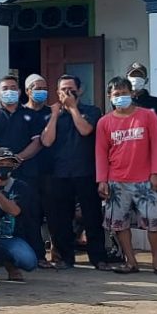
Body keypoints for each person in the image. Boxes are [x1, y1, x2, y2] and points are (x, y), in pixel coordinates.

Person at [96, 76, 157, 276]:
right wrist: (102, 180)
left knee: (154, 223)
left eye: (124, 93)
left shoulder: (147, 116)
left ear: (131, 93)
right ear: (110, 97)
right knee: (119, 224)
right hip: (116, 182)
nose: (120, 97)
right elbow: (101, 153)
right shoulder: (104, 122)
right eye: (116, 94)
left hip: (145, 181)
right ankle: (130, 262)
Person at [0, 75, 47, 264]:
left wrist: (18, 158)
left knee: (31, 213)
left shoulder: (30, 115)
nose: (9, 91)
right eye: (5, 88)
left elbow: (37, 142)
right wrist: (3, 159)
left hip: (26, 172)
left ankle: (38, 254)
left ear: (19, 91)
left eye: (13, 88)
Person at [41, 74, 107, 269]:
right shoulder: (51, 113)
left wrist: (73, 108)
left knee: (92, 217)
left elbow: (85, 130)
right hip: (59, 173)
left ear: (80, 90)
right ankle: (65, 258)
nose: (67, 93)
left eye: (71, 89)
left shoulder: (92, 111)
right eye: (63, 89)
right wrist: (55, 115)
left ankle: (98, 258)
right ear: (57, 92)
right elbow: (46, 141)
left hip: (86, 172)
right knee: (61, 219)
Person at [127, 62, 157, 265]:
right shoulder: (121, 103)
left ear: (146, 79)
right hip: (127, 167)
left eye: (139, 75)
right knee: (123, 211)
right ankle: (121, 252)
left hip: (152, 167)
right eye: (133, 75)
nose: (136, 79)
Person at [0, 148, 39, 281]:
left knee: (29, 262)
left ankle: (9, 263)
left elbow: (14, 211)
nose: (5, 167)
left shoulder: (21, 187)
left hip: (11, 238)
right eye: (1, 164)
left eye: (9, 164)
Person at [22, 74, 55, 261]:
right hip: (28, 172)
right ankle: (37, 255)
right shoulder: (20, 113)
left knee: (54, 214)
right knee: (32, 215)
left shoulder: (53, 112)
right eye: (37, 88)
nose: (41, 91)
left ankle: (58, 254)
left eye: (44, 88)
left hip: (52, 171)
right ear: (28, 91)